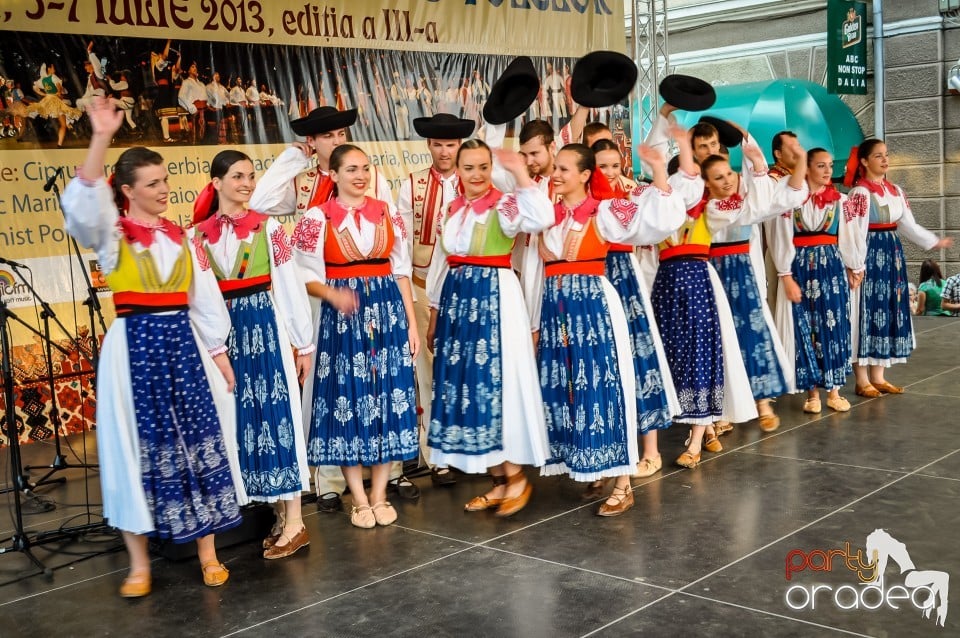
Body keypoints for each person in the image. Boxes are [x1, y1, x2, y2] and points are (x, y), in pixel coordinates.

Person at [61, 96, 241, 597]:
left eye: (165, 181)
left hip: (181, 345)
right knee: (133, 448)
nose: (164, 190)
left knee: (196, 440)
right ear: (127, 191)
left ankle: (208, 552)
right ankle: (139, 564)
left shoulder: (182, 237)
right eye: (153, 184)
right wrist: (100, 138)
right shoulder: (112, 235)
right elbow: (81, 207)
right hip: (134, 346)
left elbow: (202, 300)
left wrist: (220, 355)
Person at [522, 143, 685, 515]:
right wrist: (535, 322)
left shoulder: (604, 210)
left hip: (592, 307)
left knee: (602, 386)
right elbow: (534, 269)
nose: (557, 175)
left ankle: (623, 482)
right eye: (555, 169)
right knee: (569, 390)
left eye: (565, 170)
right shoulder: (548, 215)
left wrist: (659, 172)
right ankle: (590, 465)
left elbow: (655, 221)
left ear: (584, 175)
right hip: (557, 310)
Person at [190, 150, 315, 559]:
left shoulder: (269, 228)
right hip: (223, 334)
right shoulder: (198, 235)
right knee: (244, 418)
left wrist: (303, 342)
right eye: (238, 176)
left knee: (277, 411)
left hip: (263, 324)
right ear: (217, 182)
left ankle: (295, 520)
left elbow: (290, 284)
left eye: (250, 176)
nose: (246, 183)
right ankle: (278, 511)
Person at [293, 144, 420, 529]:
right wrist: (333, 294)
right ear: (333, 175)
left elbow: (401, 272)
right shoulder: (317, 218)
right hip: (343, 319)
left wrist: (411, 323)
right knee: (348, 400)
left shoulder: (387, 212)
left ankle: (380, 494)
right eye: (350, 169)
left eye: (365, 168)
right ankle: (359, 498)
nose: (360, 176)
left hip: (387, 313)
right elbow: (303, 276)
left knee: (386, 398)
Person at [424, 139, 553, 515]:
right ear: (458, 170)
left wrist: (518, 174)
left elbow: (543, 217)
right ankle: (498, 480)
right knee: (467, 383)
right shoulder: (454, 207)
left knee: (495, 383)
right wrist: (434, 315)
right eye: (469, 167)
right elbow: (440, 263)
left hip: (495, 296)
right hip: (458, 298)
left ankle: (515, 476)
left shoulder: (506, 203)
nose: (476, 175)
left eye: (483, 167)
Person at [590, 136, 680, 481]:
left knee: (638, 357)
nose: (611, 173)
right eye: (603, 166)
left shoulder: (630, 194)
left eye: (616, 165)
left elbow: (663, 213)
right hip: (594, 275)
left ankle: (651, 451)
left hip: (623, 275)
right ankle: (606, 448)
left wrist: (659, 167)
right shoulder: (582, 200)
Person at [704, 138, 805, 433]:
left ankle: (762, 402)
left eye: (729, 174)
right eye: (718, 177)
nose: (726, 181)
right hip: (715, 273)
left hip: (742, 273)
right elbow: (751, 208)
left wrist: (793, 164)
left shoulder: (747, 202)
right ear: (707, 183)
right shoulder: (707, 208)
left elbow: (785, 198)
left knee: (753, 335)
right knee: (721, 340)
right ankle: (723, 410)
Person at [397, 113, 475, 487]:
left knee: (464, 369)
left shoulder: (474, 183)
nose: (445, 151)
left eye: (451, 144)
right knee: (427, 372)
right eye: (439, 144)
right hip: (421, 284)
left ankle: (470, 450)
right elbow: (399, 246)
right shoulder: (410, 186)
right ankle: (436, 455)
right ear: (429, 146)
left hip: (465, 287)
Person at [844, 139, 953, 396]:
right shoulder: (860, 193)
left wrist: (933, 241)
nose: (885, 159)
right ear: (864, 161)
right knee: (866, 310)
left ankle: (878, 375)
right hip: (870, 254)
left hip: (891, 253)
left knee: (887, 308)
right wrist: (856, 265)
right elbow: (854, 232)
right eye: (878, 155)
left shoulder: (895, 191)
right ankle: (862, 380)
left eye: (886, 154)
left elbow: (908, 225)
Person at [769, 148, 859, 414]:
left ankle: (833, 390)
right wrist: (784, 274)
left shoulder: (840, 201)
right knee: (806, 327)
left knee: (833, 326)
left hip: (831, 268)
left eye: (830, 165)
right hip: (801, 268)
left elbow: (849, 235)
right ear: (806, 169)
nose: (828, 170)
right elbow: (781, 238)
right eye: (821, 165)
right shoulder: (791, 201)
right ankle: (811, 394)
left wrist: (854, 265)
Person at [27, 63, 81, 147]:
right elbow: (58, 86)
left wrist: (44, 94)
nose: (54, 70)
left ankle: (69, 125)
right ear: (48, 69)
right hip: (55, 101)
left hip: (47, 100)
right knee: (63, 124)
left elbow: (35, 88)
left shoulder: (43, 79)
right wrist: (58, 92)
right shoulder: (53, 77)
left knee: (39, 109)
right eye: (53, 68)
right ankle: (60, 143)